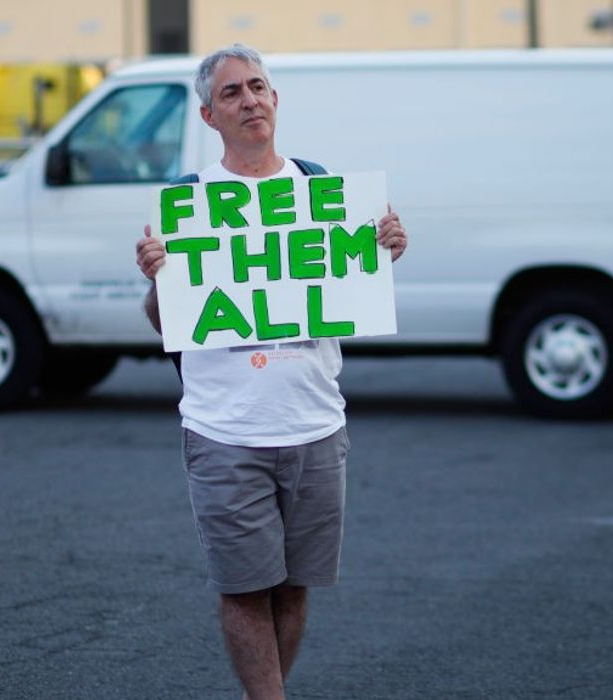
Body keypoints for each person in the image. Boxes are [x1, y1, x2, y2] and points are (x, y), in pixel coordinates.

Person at [134, 44, 407, 700]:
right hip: (226, 430)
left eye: (257, 87)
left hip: (315, 424)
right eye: (231, 93)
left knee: (292, 588)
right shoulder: (188, 203)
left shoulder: (319, 190)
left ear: (275, 100)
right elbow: (165, 320)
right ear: (208, 115)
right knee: (244, 589)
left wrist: (383, 252)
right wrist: (155, 280)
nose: (249, 100)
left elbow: (344, 289)